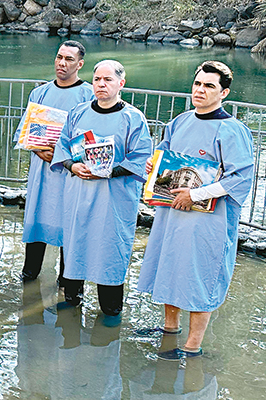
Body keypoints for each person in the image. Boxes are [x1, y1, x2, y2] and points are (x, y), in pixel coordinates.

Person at [137, 61, 254, 360]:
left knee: (201, 273)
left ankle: (192, 346)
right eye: (198, 84)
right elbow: (164, 153)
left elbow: (240, 176)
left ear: (224, 92)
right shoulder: (179, 121)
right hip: (172, 210)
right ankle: (169, 328)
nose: (200, 90)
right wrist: (154, 165)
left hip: (208, 219)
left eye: (209, 86)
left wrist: (196, 194)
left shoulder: (232, 129)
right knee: (171, 265)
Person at [51, 60, 153, 326]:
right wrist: (73, 165)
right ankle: (71, 299)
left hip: (113, 199)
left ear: (121, 82)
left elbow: (141, 157)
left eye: (108, 79)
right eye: (97, 79)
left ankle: (109, 310)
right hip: (79, 192)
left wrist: (108, 171)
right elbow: (63, 146)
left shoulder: (133, 118)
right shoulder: (78, 113)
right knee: (74, 244)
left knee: (109, 248)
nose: (101, 85)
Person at [15, 40, 94, 283]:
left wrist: (65, 155)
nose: (62, 63)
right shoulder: (40, 93)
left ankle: (68, 280)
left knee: (69, 221)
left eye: (69, 59)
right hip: (42, 169)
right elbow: (25, 131)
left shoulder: (88, 95)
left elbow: (92, 137)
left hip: (71, 172)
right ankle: (30, 273)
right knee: (37, 217)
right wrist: (38, 149)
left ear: (80, 64)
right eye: (59, 57)